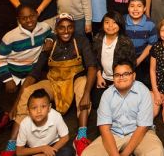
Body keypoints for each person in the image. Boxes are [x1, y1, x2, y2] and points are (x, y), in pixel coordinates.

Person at [7, 13, 97, 156]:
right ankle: (11, 145)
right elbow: (33, 74)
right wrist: (15, 105)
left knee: (83, 85)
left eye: (69, 27)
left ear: (74, 28)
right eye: (61, 28)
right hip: (53, 82)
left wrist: (87, 94)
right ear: (56, 29)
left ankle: (81, 137)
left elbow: (92, 66)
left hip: (75, 80)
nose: (66, 31)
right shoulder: (49, 44)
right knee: (29, 90)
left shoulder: (81, 41)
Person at [0, 5, 52, 142]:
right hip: (10, 70)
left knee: (28, 102)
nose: (29, 20)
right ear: (18, 20)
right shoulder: (10, 37)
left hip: (30, 73)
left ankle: (22, 125)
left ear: (37, 15)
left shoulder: (44, 27)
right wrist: (7, 80)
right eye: (24, 18)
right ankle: (0, 120)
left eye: (31, 16)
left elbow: (51, 33)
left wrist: (50, 40)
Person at [81, 61, 164, 156]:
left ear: (133, 76)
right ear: (113, 78)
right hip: (114, 134)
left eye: (126, 74)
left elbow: (143, 127)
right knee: (87, 154)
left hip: (140, 133)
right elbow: (104, 129)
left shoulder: (143, 91)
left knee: (156, 152)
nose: (121, 77)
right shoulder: (107, 95)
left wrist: (125, 154)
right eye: (117, 75)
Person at [91, 11, 136, 109]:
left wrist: (122, 81)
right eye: (107, 22)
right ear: (102, 24)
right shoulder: (97, 38)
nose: (110, 25)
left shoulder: (126, 42)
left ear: (120, 24)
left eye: (114, 22)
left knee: (120, 106)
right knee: (97, 104)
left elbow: (132, 64)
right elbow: (95, 60)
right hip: (103, 78)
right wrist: (99, 76)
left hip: (121, 79)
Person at [15, 89, 74, 156]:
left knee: (67, 151)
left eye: (43, 106)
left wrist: (48, 152)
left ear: (49, 108)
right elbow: (19, 152)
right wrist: (43, 149)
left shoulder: (55, 116)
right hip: (34, 150)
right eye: (34, 108)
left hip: (53, 145)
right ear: (28, 111)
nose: (39, 111)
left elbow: (65, 137)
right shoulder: (24, 124)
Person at [125, 0, 158, 87]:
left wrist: (138, 60)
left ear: (144, 8)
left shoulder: (150, 24)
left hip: (143, 57)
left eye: (139, 6)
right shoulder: (122, 21)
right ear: (128, 8)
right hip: (125, 57)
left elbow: (151, 44)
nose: (135, 9)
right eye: (132, 6)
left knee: (142, 83)